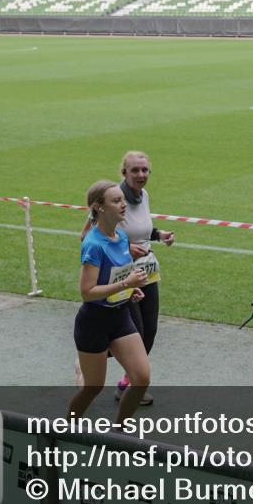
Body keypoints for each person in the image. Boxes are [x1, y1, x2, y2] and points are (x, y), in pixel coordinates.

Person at [79, 151, 174, 405]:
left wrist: (159, 235)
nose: (141, 175)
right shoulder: (110, 198)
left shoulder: (144, 196)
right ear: (124, 173)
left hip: (146, 271)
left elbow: (141, 229)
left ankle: (125, 384)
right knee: (134, 333)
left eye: (145, 170)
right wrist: (125, 248)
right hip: (121, 275)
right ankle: (88, 359)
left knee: (149, 332)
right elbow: (86, 235)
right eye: (135, 170)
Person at [68, 180, 150, 424]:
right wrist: (126, 284)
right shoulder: (93, 245)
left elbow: (116, 277)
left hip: (120, 316)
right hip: (94, 322)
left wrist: (130, 290)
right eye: (116, 201)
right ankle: (64, 429)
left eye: (122, 200)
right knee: (93, 388)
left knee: (141, 379)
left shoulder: (121, 237)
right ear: (99, 207)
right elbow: (87, 292)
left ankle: (120, 430)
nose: (123, 204)